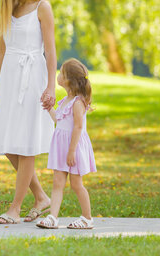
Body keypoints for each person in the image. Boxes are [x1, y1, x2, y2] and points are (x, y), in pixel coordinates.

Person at [0, 0, 56, 224]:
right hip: (10, 80)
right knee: (8, 142)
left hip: (33, 79)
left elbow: (50, 51)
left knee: (26, 146)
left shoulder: (42, 8)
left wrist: (50, 86)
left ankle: (14, 208)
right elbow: (1, 53)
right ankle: (40, 197)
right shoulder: (7, 9)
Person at [36, 58, 97, 229]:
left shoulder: (78, 103)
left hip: (73, 148)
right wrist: (49, 108)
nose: (58, 76)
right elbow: (59, 120)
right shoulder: (65, 101)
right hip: (61, 147)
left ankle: (87, 218)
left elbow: (78, 127)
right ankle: (52, 217)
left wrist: (71, 152)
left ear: (68, 79)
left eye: (61, 73)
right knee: (57, 183)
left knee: (77, 184)